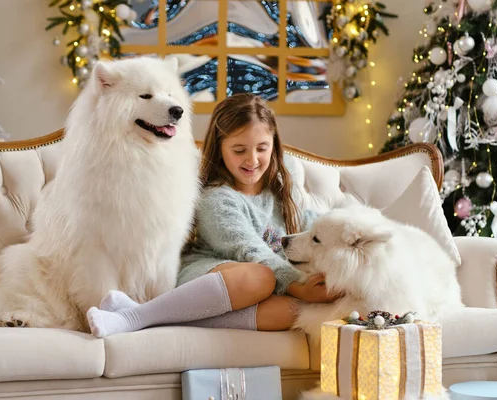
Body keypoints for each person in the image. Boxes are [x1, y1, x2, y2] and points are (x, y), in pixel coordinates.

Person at [87, 93, 340, 338]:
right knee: (259, 277)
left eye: (262, 148)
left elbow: (310, 228)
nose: (252, 160)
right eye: (239, 150)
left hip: (265, 283)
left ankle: (159, 316)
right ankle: (133, 318)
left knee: (291, 311)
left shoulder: (283, 189)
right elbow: (249, 250)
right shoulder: (216, 199)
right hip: (210, 275)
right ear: (220, 149)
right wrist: (297, 285)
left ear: (274, 146)